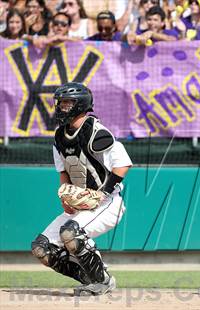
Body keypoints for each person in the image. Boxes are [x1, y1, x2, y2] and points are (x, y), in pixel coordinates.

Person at [31, 82, 132, 296]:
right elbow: (63, 173)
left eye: (67, 103)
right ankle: (91, 277)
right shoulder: (60, 136)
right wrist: (64, 196)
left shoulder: (96, 131)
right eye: (60, 103)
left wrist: (103, 192)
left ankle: (101, 282)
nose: (61, 107)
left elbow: (123, 163)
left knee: (71, 233)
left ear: (81, 104)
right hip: (81, 204)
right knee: (42, 248)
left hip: (108, 203)